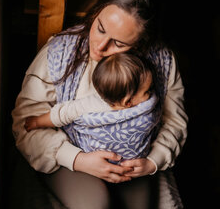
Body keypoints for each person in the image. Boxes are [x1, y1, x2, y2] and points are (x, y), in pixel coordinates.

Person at [12, 0, 188, 209]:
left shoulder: (162, 61)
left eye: (118, 43)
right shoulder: (62, 51)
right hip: (72, 149)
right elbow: (27, 120)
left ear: (141, 45)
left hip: (132, 158)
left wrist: (152, 161)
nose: (99, 46)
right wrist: (78, 160)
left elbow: (174, 120)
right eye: (100, 28)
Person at [24, 52, 159, 162]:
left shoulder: (142, 105)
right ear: (127, 102)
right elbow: (63, 113)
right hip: (95, 159)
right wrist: (37, 121)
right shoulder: (92, 104)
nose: (151, 94)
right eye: (146, 91)